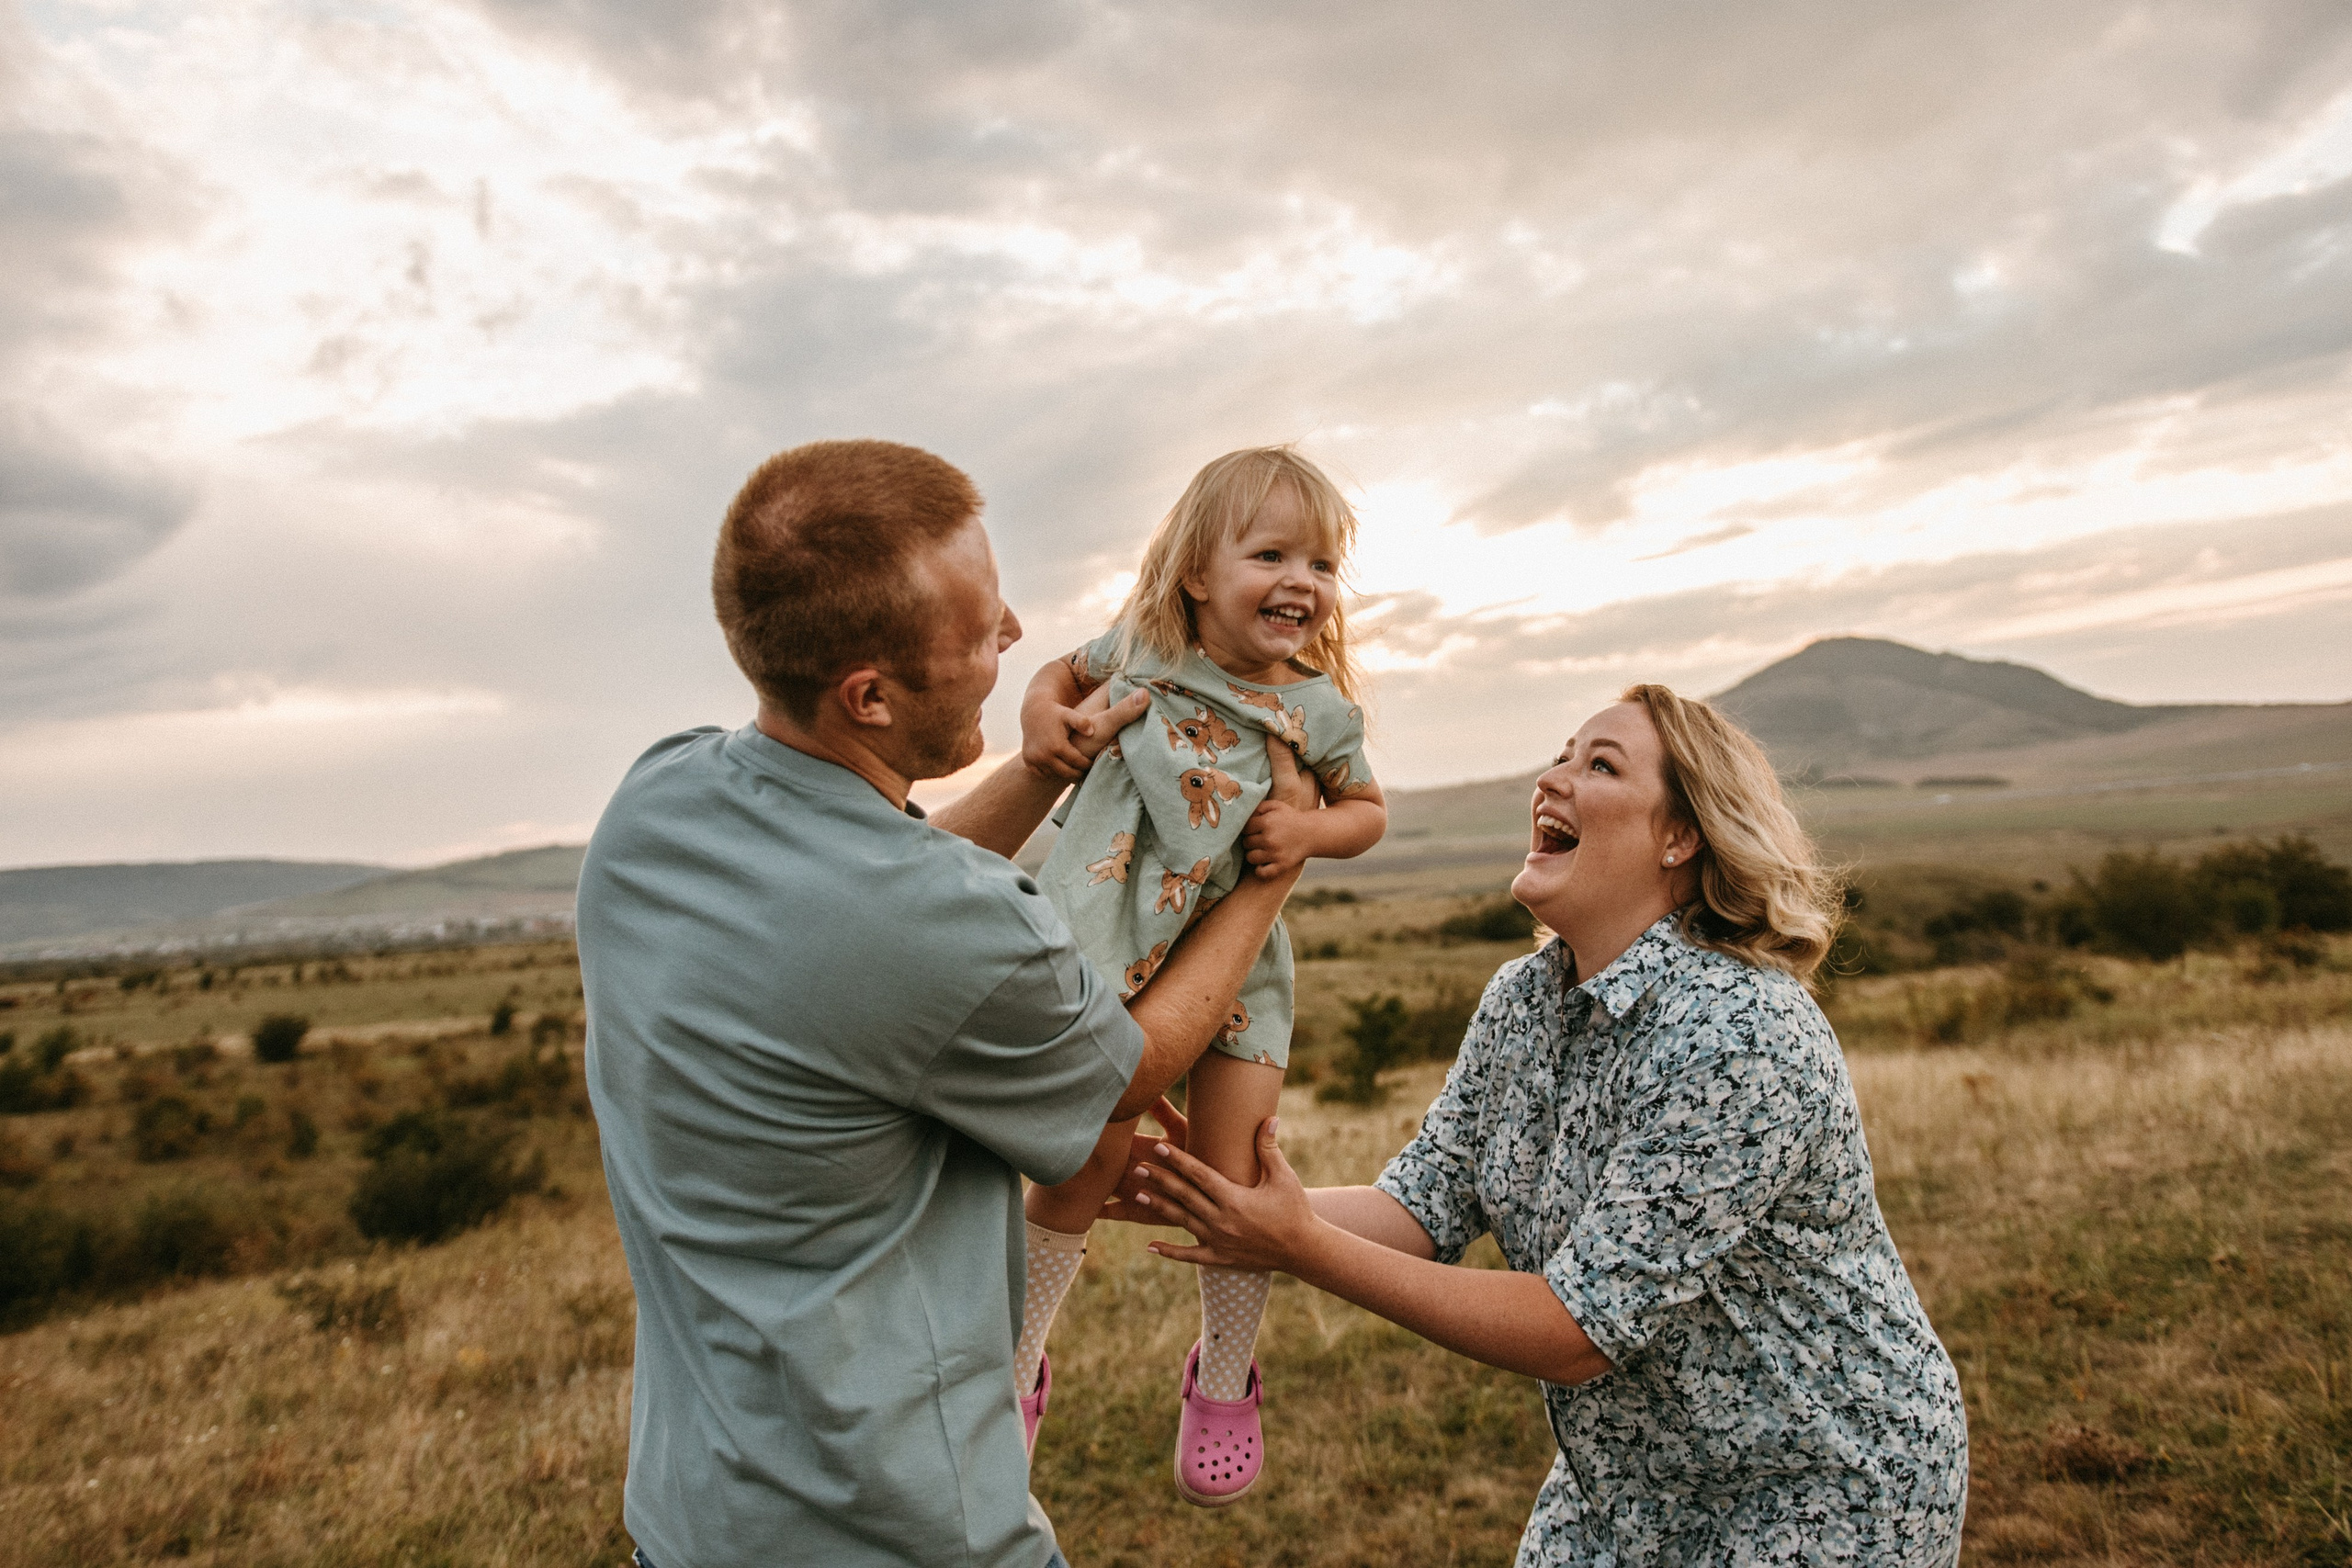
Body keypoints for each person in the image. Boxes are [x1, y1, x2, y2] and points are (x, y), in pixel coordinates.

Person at [576, 438, 1316, 1568]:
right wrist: (1267, 876)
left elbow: (867, 887)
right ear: (869, 695)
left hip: (688, 1522)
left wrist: (1046, 769)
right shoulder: (961, 928)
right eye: (978, 630)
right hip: (903, 1535)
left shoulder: (654, 803)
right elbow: (1125, 1068)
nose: (1015, 635)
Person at [1123, 684, 1971, 1564]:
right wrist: (1211, 1194)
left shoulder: (1739, 1029)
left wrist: (1296, 1243)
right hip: (1626, 1486)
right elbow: (1423, 1207)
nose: (1551, 779)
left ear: (1679, 837)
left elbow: (1576, 1332)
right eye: (1561, 755)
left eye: (1598, 764)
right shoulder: (1521, 1001)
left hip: (1822, 1487)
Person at [1011, 446, 1387, 1506]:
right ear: (1194, 572)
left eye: (1321, 561)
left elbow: (1369, 811)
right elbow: (1056, 678)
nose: (1302, 581)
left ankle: (1224, 1370)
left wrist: (1309, 828)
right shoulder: (1140, 651)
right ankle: (1017, 1361)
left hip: (1238, 956)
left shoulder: (1317, 708)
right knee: (1083, 1160)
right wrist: (1045, 720)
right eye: (1270, 553)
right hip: (1110, 935)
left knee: (1237, 1175)